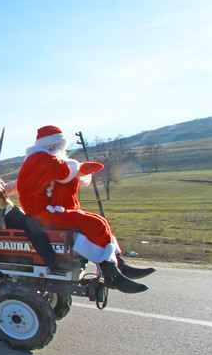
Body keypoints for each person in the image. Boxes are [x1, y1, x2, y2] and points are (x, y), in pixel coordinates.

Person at [16, 125, 155, 293]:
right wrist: (81, 168)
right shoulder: (39, 159)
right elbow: (63, 170)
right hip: (43, 213)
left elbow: (63, 170)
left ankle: (118, 264)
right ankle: (110, 274)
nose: (62, 149)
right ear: (51, 145)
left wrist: (81, 170)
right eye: (60, 145)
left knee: (101, 221)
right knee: (93, 224)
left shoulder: (44, 158)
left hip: (53, 209)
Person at [0, 137, 78, 273]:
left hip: (10, 209)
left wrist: (22, 181)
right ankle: (53, 263)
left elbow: (5, 189)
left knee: (39, 221)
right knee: (32, 226)